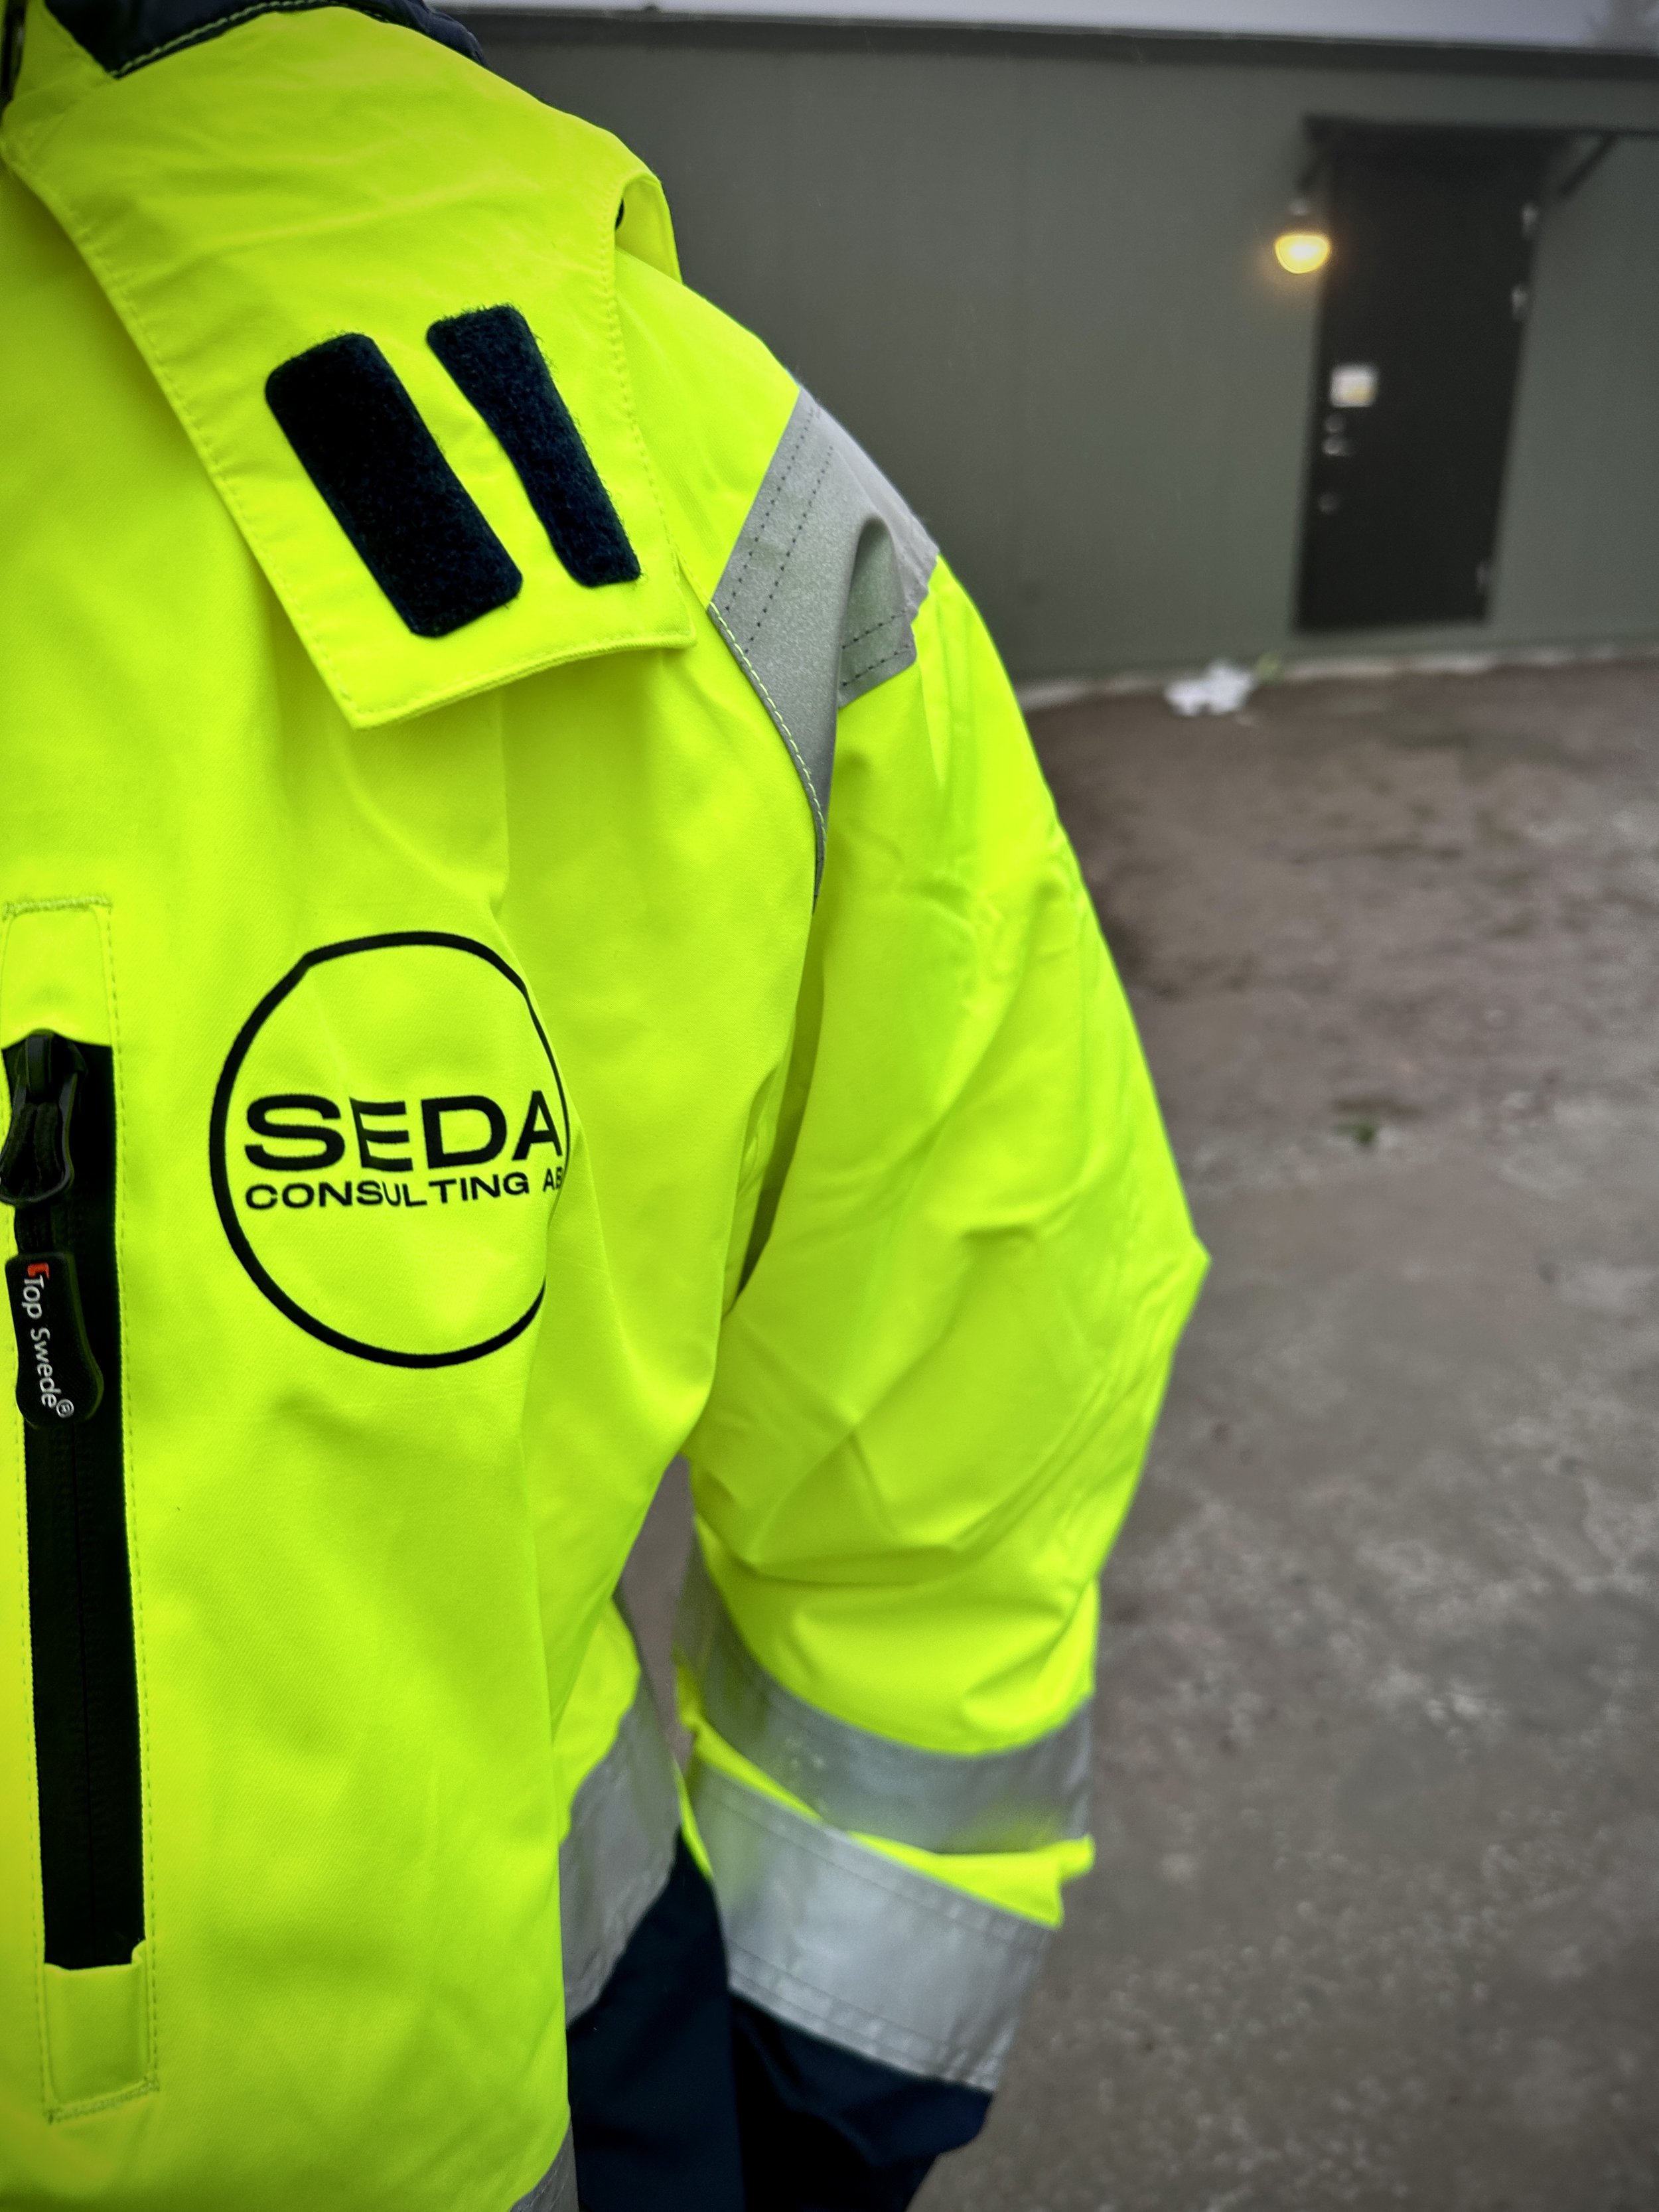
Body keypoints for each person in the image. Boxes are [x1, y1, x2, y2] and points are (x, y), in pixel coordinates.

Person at [0, 0, 1204, 2203]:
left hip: (531, 2080)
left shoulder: (711, 507)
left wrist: (822, 2062)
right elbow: (971, 1385)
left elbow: (964, 1374)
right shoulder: (694, 463)